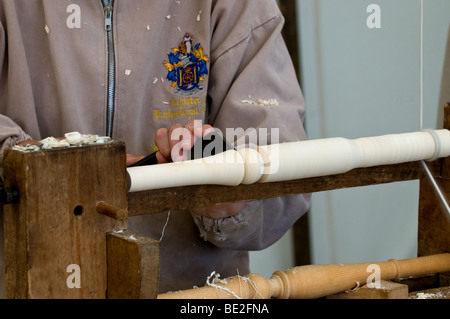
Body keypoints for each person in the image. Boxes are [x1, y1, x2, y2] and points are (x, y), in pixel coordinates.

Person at [0, 0, 310, 295]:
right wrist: (23, 160)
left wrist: (230, 193)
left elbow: (281, 157)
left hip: (192, 295)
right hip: (27, 282)